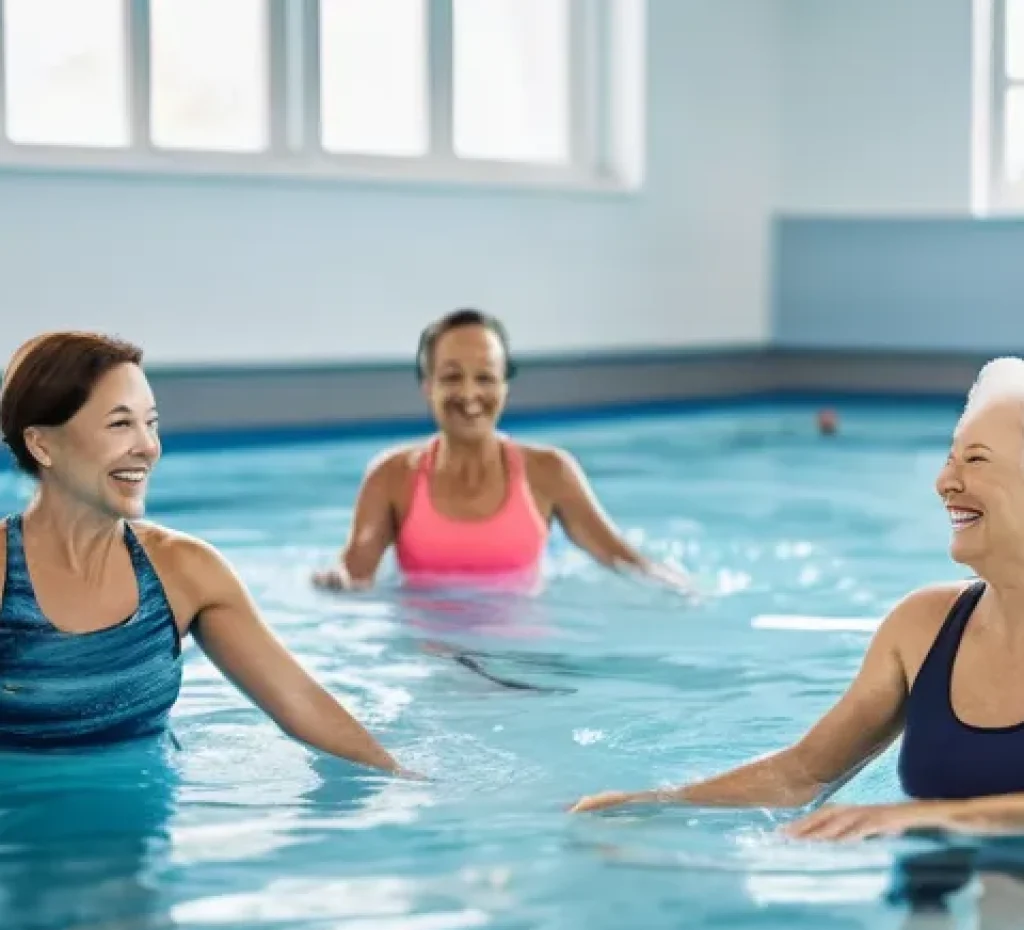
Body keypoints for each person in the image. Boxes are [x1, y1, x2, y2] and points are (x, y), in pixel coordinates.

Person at [572, 357, 1024, 840]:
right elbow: (803, 774)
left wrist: (934, 816)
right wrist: (658, 805)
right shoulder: (924, 628)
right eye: (949, 459)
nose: (944, 483)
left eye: (974, 460)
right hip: (939, 908)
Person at [0, 331, 402, 774]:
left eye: (150, 423)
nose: (147, 447)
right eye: (119, 424)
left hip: (142, 828)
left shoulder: (184, 571)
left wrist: (405, 782)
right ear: (41, 444)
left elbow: (302, 705)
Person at [312, 309, 693, 593]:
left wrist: (682, 589)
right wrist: (333, 582)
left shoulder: (549, 472)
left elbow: (624, 560)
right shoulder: (392, 476)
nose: (469, 394)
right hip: (429, 661)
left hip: (524, 662)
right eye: (451, 377)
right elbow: (355, 573)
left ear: (505, 386)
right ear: (427, 386)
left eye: (485, 378)